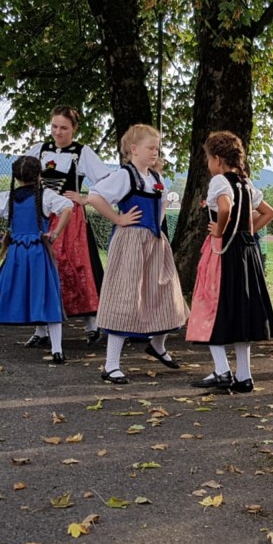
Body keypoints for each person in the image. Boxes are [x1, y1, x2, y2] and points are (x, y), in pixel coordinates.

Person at [86, 125, 189, 385]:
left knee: (166, 294)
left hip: (154, 242)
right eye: (150, 148)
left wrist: (157, 226)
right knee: (126, 298)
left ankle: (157, 345)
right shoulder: (124, 175)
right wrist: (118, 218)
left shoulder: (155, 177)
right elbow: (95, 196)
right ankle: (111, 365)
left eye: (157, 148)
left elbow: (162, 203)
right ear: (134, 149)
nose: (155, 152)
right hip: (131, 243)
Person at [187, 131, 273, 394]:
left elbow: (225, 208)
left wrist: (220, 230)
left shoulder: (219, 181)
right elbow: (268, 213)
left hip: (224, 253)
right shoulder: (245, 183)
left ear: (217, 159)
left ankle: (222, 370)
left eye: (208, 159)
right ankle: (244, 376)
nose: (208, 164)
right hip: (246, 253)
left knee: (210, 306)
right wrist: (246, 231)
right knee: (240, 311)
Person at [0, 156, 73, 362]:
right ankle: (57, 350)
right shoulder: (46, 195)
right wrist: (55, 233)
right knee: (48, 296)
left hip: (16, 253)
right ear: (39, 175)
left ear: (15, 177)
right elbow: (67, 207)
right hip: (39, 253)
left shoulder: (7, 197)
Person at [24, 106, 110, 348]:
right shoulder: (39, 151)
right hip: (42, 216)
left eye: (63, 127)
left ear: (74, 128)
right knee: (41, 268)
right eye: (54, 126)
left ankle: (92, 326)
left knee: (77, 267)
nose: (58, 132)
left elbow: (107, 180)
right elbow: (22, 175)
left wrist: (85, 198)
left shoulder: (82, 153)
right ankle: (41, 329)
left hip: (70, 220)